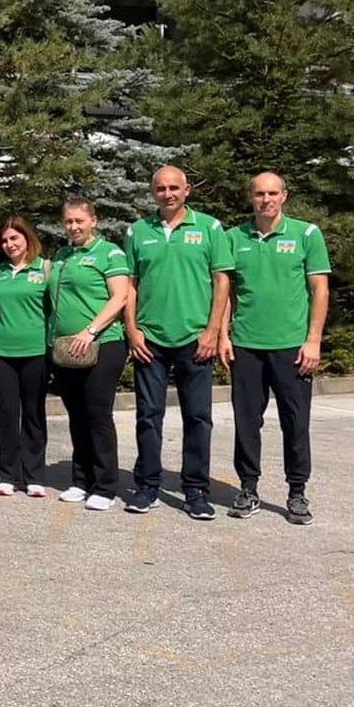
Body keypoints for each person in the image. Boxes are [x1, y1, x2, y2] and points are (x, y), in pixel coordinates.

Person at [220, 172, 331, 526]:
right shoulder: (233, 237)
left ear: (284, 196)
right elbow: (225, 292)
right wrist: (222, 335)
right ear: (251, 197)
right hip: (246, 346)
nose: (265, 199)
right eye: (259, 194)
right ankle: (248, 488)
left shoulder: (306, 234)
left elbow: (320, 290)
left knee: (295, 422)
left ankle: (297, 492)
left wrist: (313, 340)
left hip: (292, 347)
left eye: (272, 193)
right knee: (246, 422)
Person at [121, 166, 231, 521]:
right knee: (148, 415)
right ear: (152, 192)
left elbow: (222, 282)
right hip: (149, 340)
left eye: (174, 188)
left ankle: (195, 490)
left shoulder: (210, 228)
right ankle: (147, 486)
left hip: (195, 338)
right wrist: (132, 329)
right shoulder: (138, 231)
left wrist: (213, 331)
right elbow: (130, 284)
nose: (167, 194)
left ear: (187, 190)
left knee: (198, 417)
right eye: (160, 188)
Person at [49, 196, 130, 511]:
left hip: (103, 343)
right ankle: (80, 480)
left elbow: (120, 297)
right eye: (68, 221)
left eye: (79, 220)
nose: (73, 226)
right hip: (67, 348)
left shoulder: (109, 252)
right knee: (77, 414)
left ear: (93, 221)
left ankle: (105, 486)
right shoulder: (62, 255)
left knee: (97, 413)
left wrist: (90, 330)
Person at [0, 217, 51, 498]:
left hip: (35, 350)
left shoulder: (45, 268)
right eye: (4, 240)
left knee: (34, 412)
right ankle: (8, 474)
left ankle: (33, 475)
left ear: (27, 238)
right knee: (8, 412)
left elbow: (53, 308)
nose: (9, 244)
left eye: (14, 238)